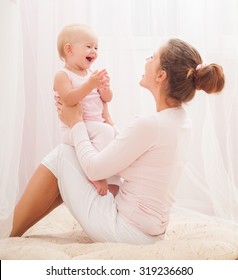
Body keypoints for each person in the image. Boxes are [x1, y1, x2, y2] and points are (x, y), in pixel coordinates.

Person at [10, 38, 225, 244]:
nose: (147, 60)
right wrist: (107, 118)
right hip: (150, 231)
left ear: (161, 75)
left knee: (62, 155)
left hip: (126, 232)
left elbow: (96, 170)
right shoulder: (179, 121)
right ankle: (14, 232)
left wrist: (76, 123)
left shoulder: (151, 125)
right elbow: (130, 155)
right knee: (70, 165)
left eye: (152, 57)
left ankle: (10, 234)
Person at [54, 24, 121, 196]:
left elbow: (107, 99)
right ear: (69, 49)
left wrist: (104, 89)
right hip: (74, 128)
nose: (94, 51)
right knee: (106, 131)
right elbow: (68, 99)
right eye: (89, 46)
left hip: (92, 127)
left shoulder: (91, 73)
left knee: (113, 137)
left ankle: (111, 179)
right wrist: (90, 84)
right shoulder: (63, 75)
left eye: (96, 47)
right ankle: (94, 173)